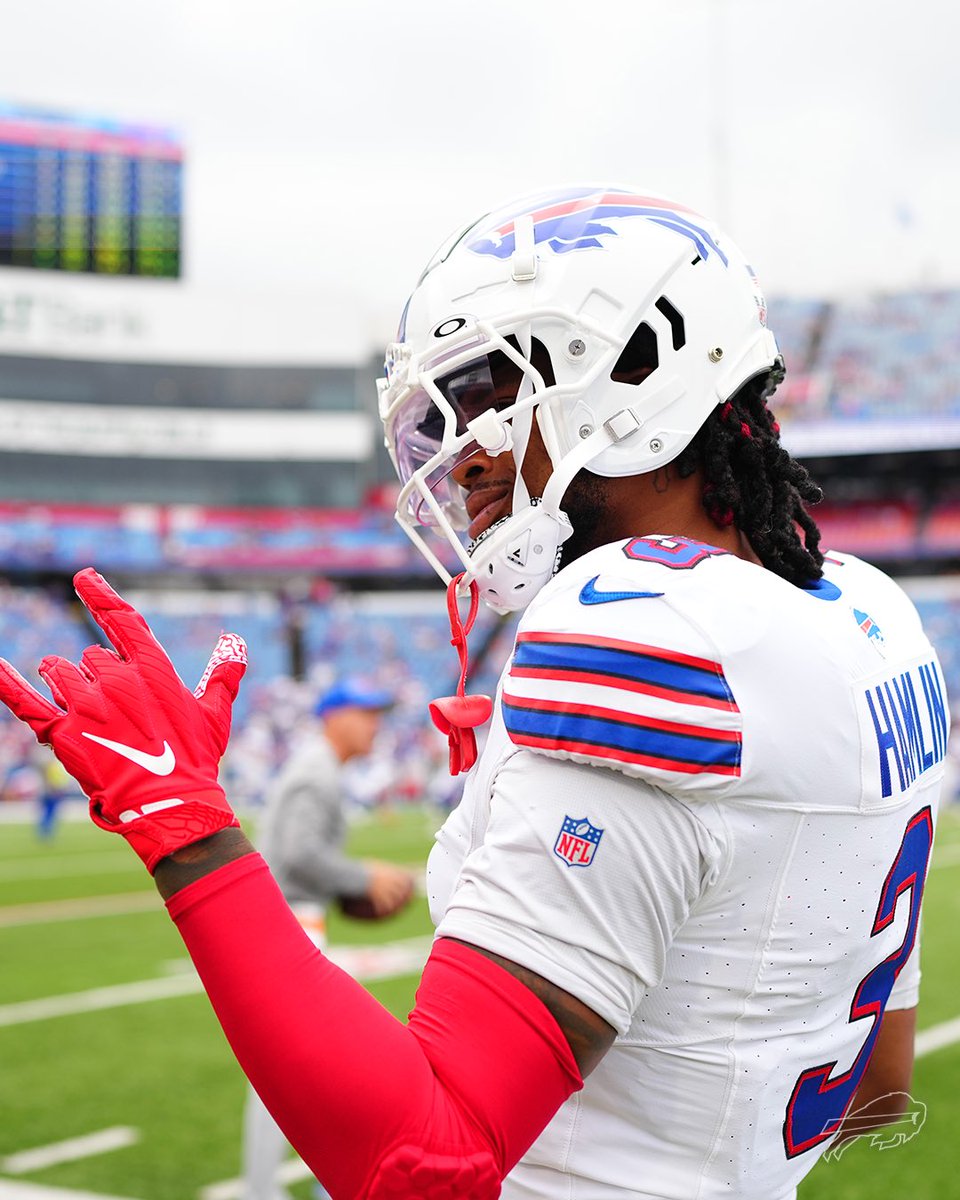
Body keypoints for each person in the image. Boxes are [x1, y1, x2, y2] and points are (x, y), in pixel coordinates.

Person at [0, 184, 947, 1200]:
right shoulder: (869, 614)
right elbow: (879, 1086)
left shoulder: (643, 629)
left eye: (495, 394)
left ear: (631, 375)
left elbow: (425, 1166)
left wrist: (184, 824)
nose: (462, 459)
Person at [242, 679, 415, 1200]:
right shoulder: (316, 773)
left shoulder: (320, 768)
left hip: (294, 924)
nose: (376, 724)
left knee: (300, 1069)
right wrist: (365, 879)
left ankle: (292, 1183)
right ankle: (264, 1188)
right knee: (293, 1072)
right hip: (292, 927)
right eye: (366, 712)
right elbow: (298, 854)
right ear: (334, 716)